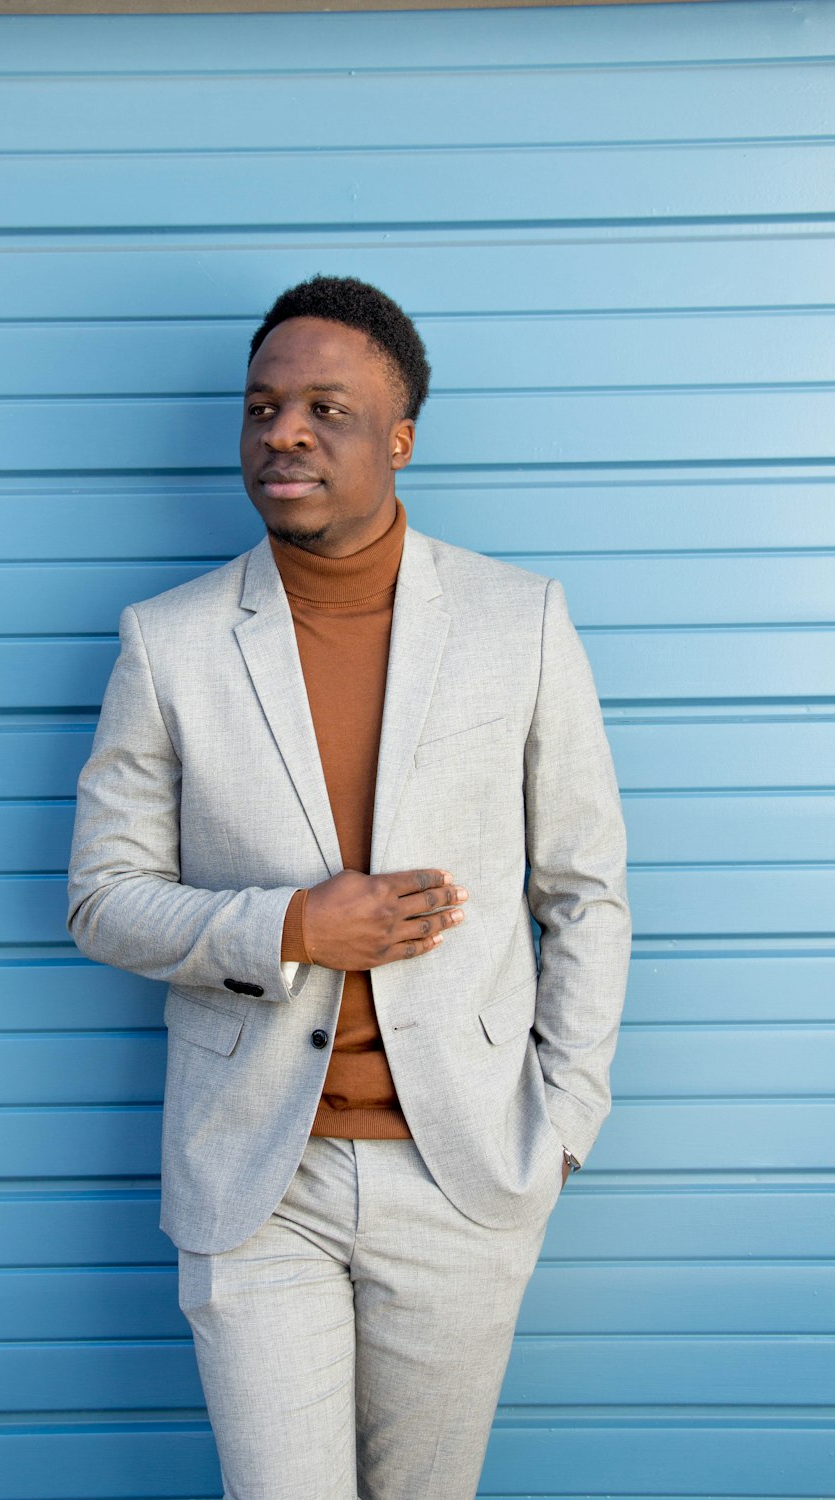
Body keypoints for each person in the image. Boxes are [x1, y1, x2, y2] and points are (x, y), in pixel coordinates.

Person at [67, 275, 630, 1500]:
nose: (285, 432)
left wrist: (565, 1119)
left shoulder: (517, 619)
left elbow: (584, 889)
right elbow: (102, 896)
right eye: (264, 406)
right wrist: (290, 924)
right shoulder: (167, 640)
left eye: (327, 407)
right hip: (256, 1176)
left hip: (463, 1167)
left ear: (400, 437)